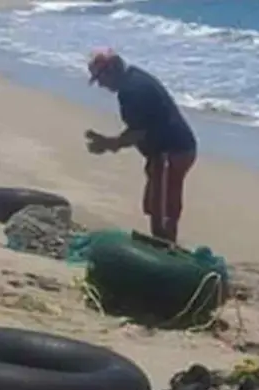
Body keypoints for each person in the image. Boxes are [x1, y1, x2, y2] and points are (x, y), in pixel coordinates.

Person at [83, 48, 197, 244]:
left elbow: (138, 133)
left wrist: (110, 143)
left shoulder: (133, 90)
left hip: (173, 150)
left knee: (163, 207)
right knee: (153, 203)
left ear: (112, 70)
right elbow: (139, 128)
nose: (101, 84)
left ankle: (165, 246)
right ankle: (161, 241)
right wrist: (111, 143)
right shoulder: (132, 82)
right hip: (160, 151)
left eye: (100, 78)